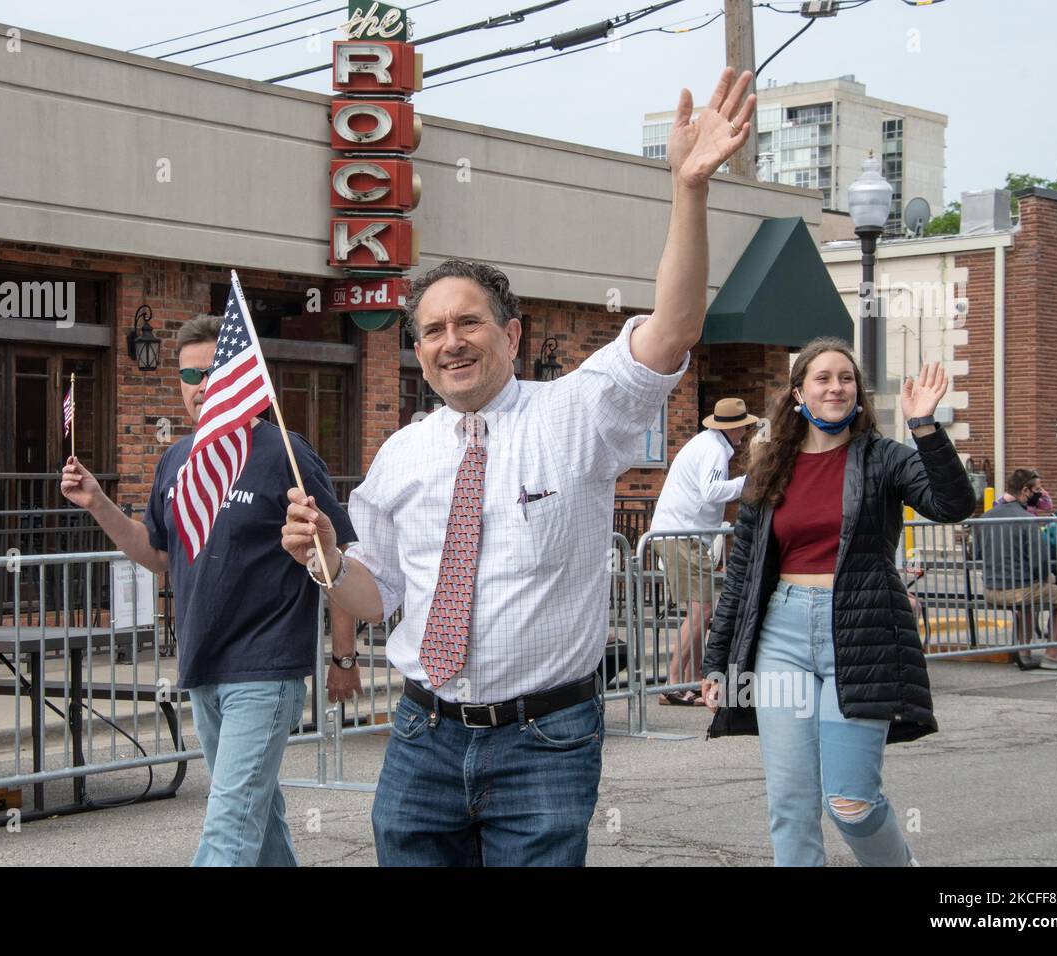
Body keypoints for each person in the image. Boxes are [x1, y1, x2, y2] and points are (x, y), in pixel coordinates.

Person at [281, 67, 757, 866]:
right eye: (431, 331)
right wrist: (326, 561)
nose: (450, 341)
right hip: (420, 735)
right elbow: (377, 595)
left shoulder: (576, 414)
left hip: (546, 740)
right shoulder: (403, 454)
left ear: (512, 332)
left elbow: (672, 331)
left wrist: (689, 190)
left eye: (469, 322)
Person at [61, 313, 358, 867]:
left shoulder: (284, 453)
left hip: (265, 670)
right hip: (203, 666)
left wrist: (343, 656)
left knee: (227, 827)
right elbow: (159, 556)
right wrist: (99, 503)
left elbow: (338, 559)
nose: (201, 387)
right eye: (190, 374)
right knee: (257, 816)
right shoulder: (177, 459)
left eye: (214, 374)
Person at [699, 345, 976, 867]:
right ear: (800, 392)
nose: (836, 387)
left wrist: (923, 425)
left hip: (862, 633)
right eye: (823, 378)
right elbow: (742, 574)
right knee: (792, 802)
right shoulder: (770, 467)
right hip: (781, 635)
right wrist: (718, 663)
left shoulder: (886, 457)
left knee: (850, 801)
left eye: (846, 378)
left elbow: (953, 504)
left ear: (857, 392)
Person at [649, 397, 758, 705]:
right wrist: (747, 483)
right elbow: (711, 492)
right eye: (743, 427)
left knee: (701, 610)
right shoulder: (713, 449)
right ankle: (673, 683)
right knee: (702, 611)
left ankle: (692, 680)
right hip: (682, 535)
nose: (744, 433)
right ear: (735, 427)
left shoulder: (709, 443)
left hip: (682, 534)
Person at [978, 468, 1057, 669]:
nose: (1040, 493)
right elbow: (1039, 560)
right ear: (1026, 491)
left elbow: (976, 553)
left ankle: (1024, 651)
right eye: (1037, 489)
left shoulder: (985, 517)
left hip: (991, 589)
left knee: (1028, 603)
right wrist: (1047, 576)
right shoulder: (1028, 519)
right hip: (1019, 589)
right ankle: (1052, 654)